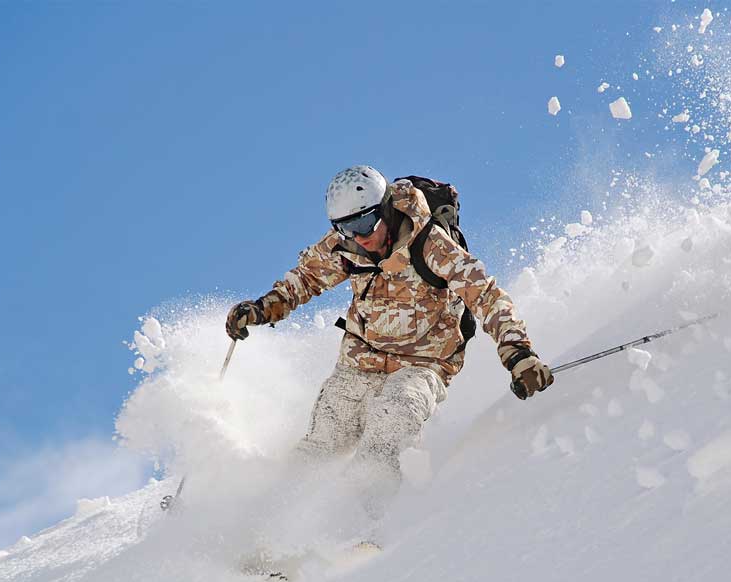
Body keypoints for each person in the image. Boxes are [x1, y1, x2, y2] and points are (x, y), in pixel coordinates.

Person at [225, 165, 551, 518]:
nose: (359, 237)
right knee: (320, 446)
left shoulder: (430, 244)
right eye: (347, 228)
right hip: (360, 362)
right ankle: (267, 532)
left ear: (384, 210)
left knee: (387, 430)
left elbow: (486, 295)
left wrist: (518, 353)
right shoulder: (346, 246)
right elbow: (305, 279)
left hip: (423, 364)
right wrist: (261, 309)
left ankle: (361, 528)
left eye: (365, 225)